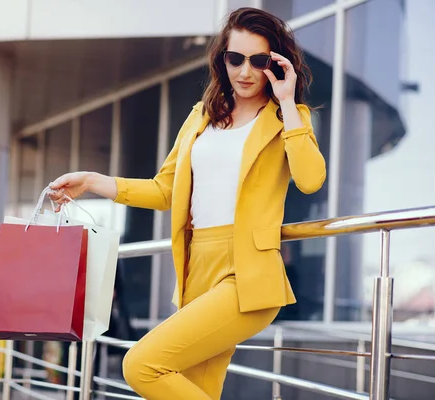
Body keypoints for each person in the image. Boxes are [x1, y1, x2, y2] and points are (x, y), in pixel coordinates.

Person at [49, 7, 326, 400]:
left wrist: (286, 102)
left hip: (247, 276)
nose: (245, 71)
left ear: (275, 64)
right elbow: (165, 190)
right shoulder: (201, 117)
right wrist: (94, 181)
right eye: (235, 59)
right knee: (197, 390)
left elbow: (311, 179)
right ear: (222, 59)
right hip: (197, 269)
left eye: (258, 61)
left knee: (142, 364)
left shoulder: (288, 118)